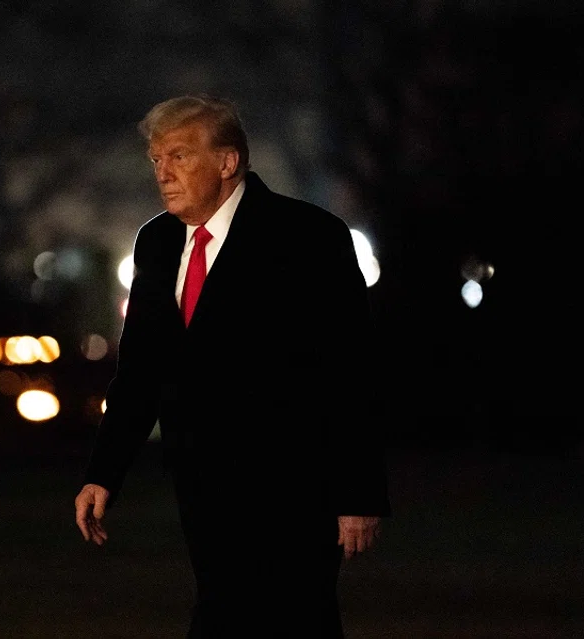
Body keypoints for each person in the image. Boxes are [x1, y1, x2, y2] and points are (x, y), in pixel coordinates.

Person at [74, 94, 390, 637]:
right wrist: (104, 473)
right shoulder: (156, 242)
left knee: (291, 617)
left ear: (227, 162)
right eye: (156, 160)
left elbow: (348, 370)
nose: (163, 173)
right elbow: (141, 372)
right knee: (229, 609)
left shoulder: (307, 237)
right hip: (203, 481)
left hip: (294, 482)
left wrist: (357, 492)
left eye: (179, 156)